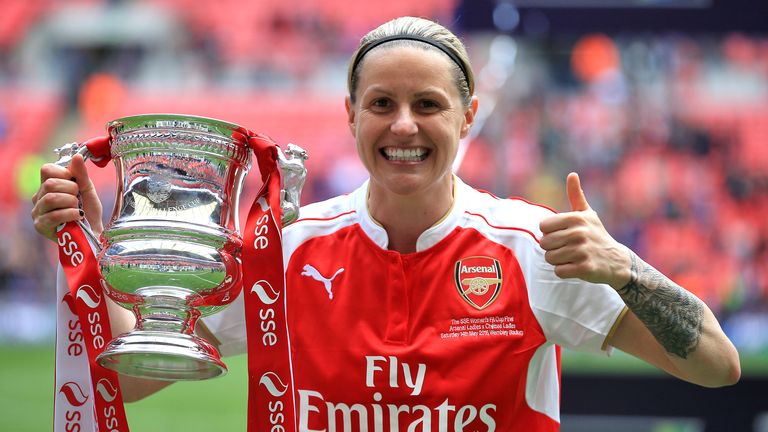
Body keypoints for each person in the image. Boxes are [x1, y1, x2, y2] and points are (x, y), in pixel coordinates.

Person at [32, 16, 739, 431]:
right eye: (381, 104)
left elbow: (715, 366)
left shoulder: (529, 249)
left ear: (467, 117)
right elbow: (123, 384)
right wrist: (85, 252)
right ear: (350, 116)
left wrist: (626, 267)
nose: (404, 125)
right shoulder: (283, 252)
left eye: (428, 105)